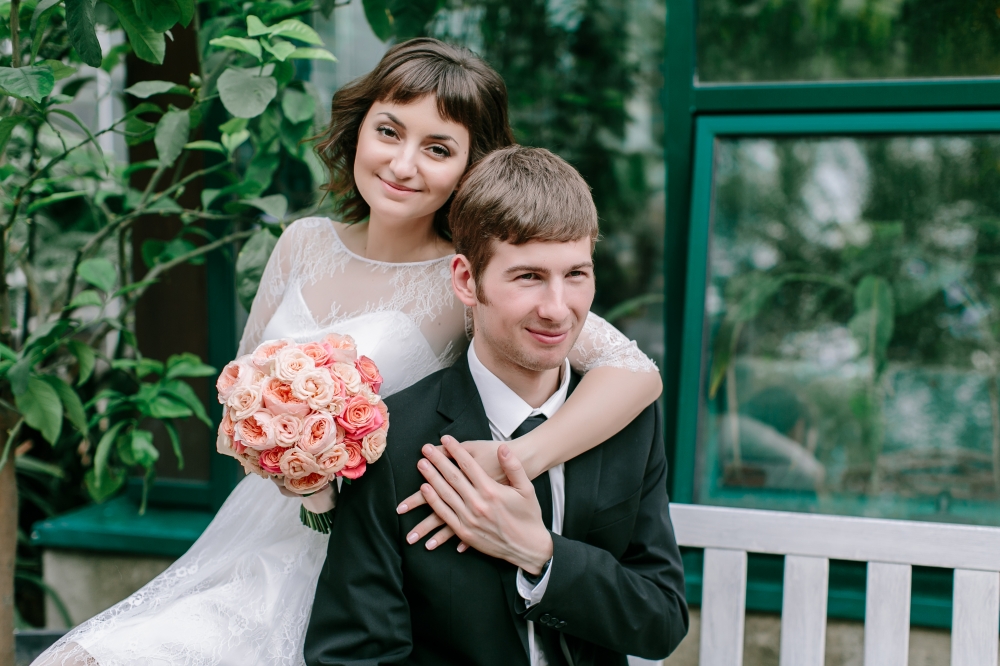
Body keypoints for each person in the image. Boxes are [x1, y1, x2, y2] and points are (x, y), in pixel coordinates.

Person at [33, 39, 662, 666]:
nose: (403, 164)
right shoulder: (302, 243)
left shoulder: (470, 281)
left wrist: (514, 459)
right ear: (359, 128)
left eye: (438, 149)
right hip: (257, 538)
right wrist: (282, 444)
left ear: (471, 170)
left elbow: (636, 373)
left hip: (366, 567)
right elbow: (238, 391)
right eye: (389, 131)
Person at [304, 146, 688, 666]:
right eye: (528, 276)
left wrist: (541, 554)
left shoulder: (630, 423)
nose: (558, 309)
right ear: (467, 280)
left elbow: (662, 620)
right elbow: (353, 656)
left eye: (576, 274)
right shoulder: (393, 442)